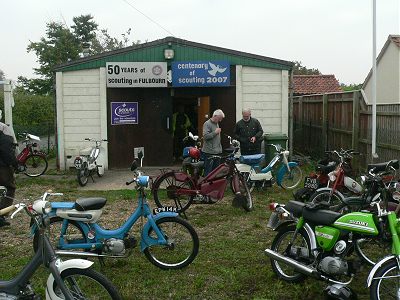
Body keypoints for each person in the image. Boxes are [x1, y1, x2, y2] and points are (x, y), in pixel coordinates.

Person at [0, 122, 18, 227]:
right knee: (10, 189)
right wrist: (15, 164)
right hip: (2, 167)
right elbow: (7, 152)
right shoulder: (4, 133)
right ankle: (1, 214)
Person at [202, 109, 225, 176]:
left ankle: (214, 186)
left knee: (216, 172)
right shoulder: (207, 124)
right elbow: (205, 136)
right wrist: (215, 132)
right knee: (208, 172)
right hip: (209, 152)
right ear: (215, 116)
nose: (220, 120)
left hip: (217, 152)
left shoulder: (216, 123)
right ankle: (206, 185)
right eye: (219, 118)